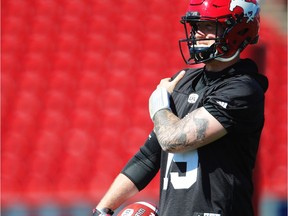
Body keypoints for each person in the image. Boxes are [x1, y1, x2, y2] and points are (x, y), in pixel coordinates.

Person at [93, 0, 268, 215]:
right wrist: (103, 208)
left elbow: (173, 140)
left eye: (208, 27)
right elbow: (148, 156)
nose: (197, 34)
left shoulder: (243, 90)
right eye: (196, 26)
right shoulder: (183, 81)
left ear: (237, 31)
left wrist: (159, 104)